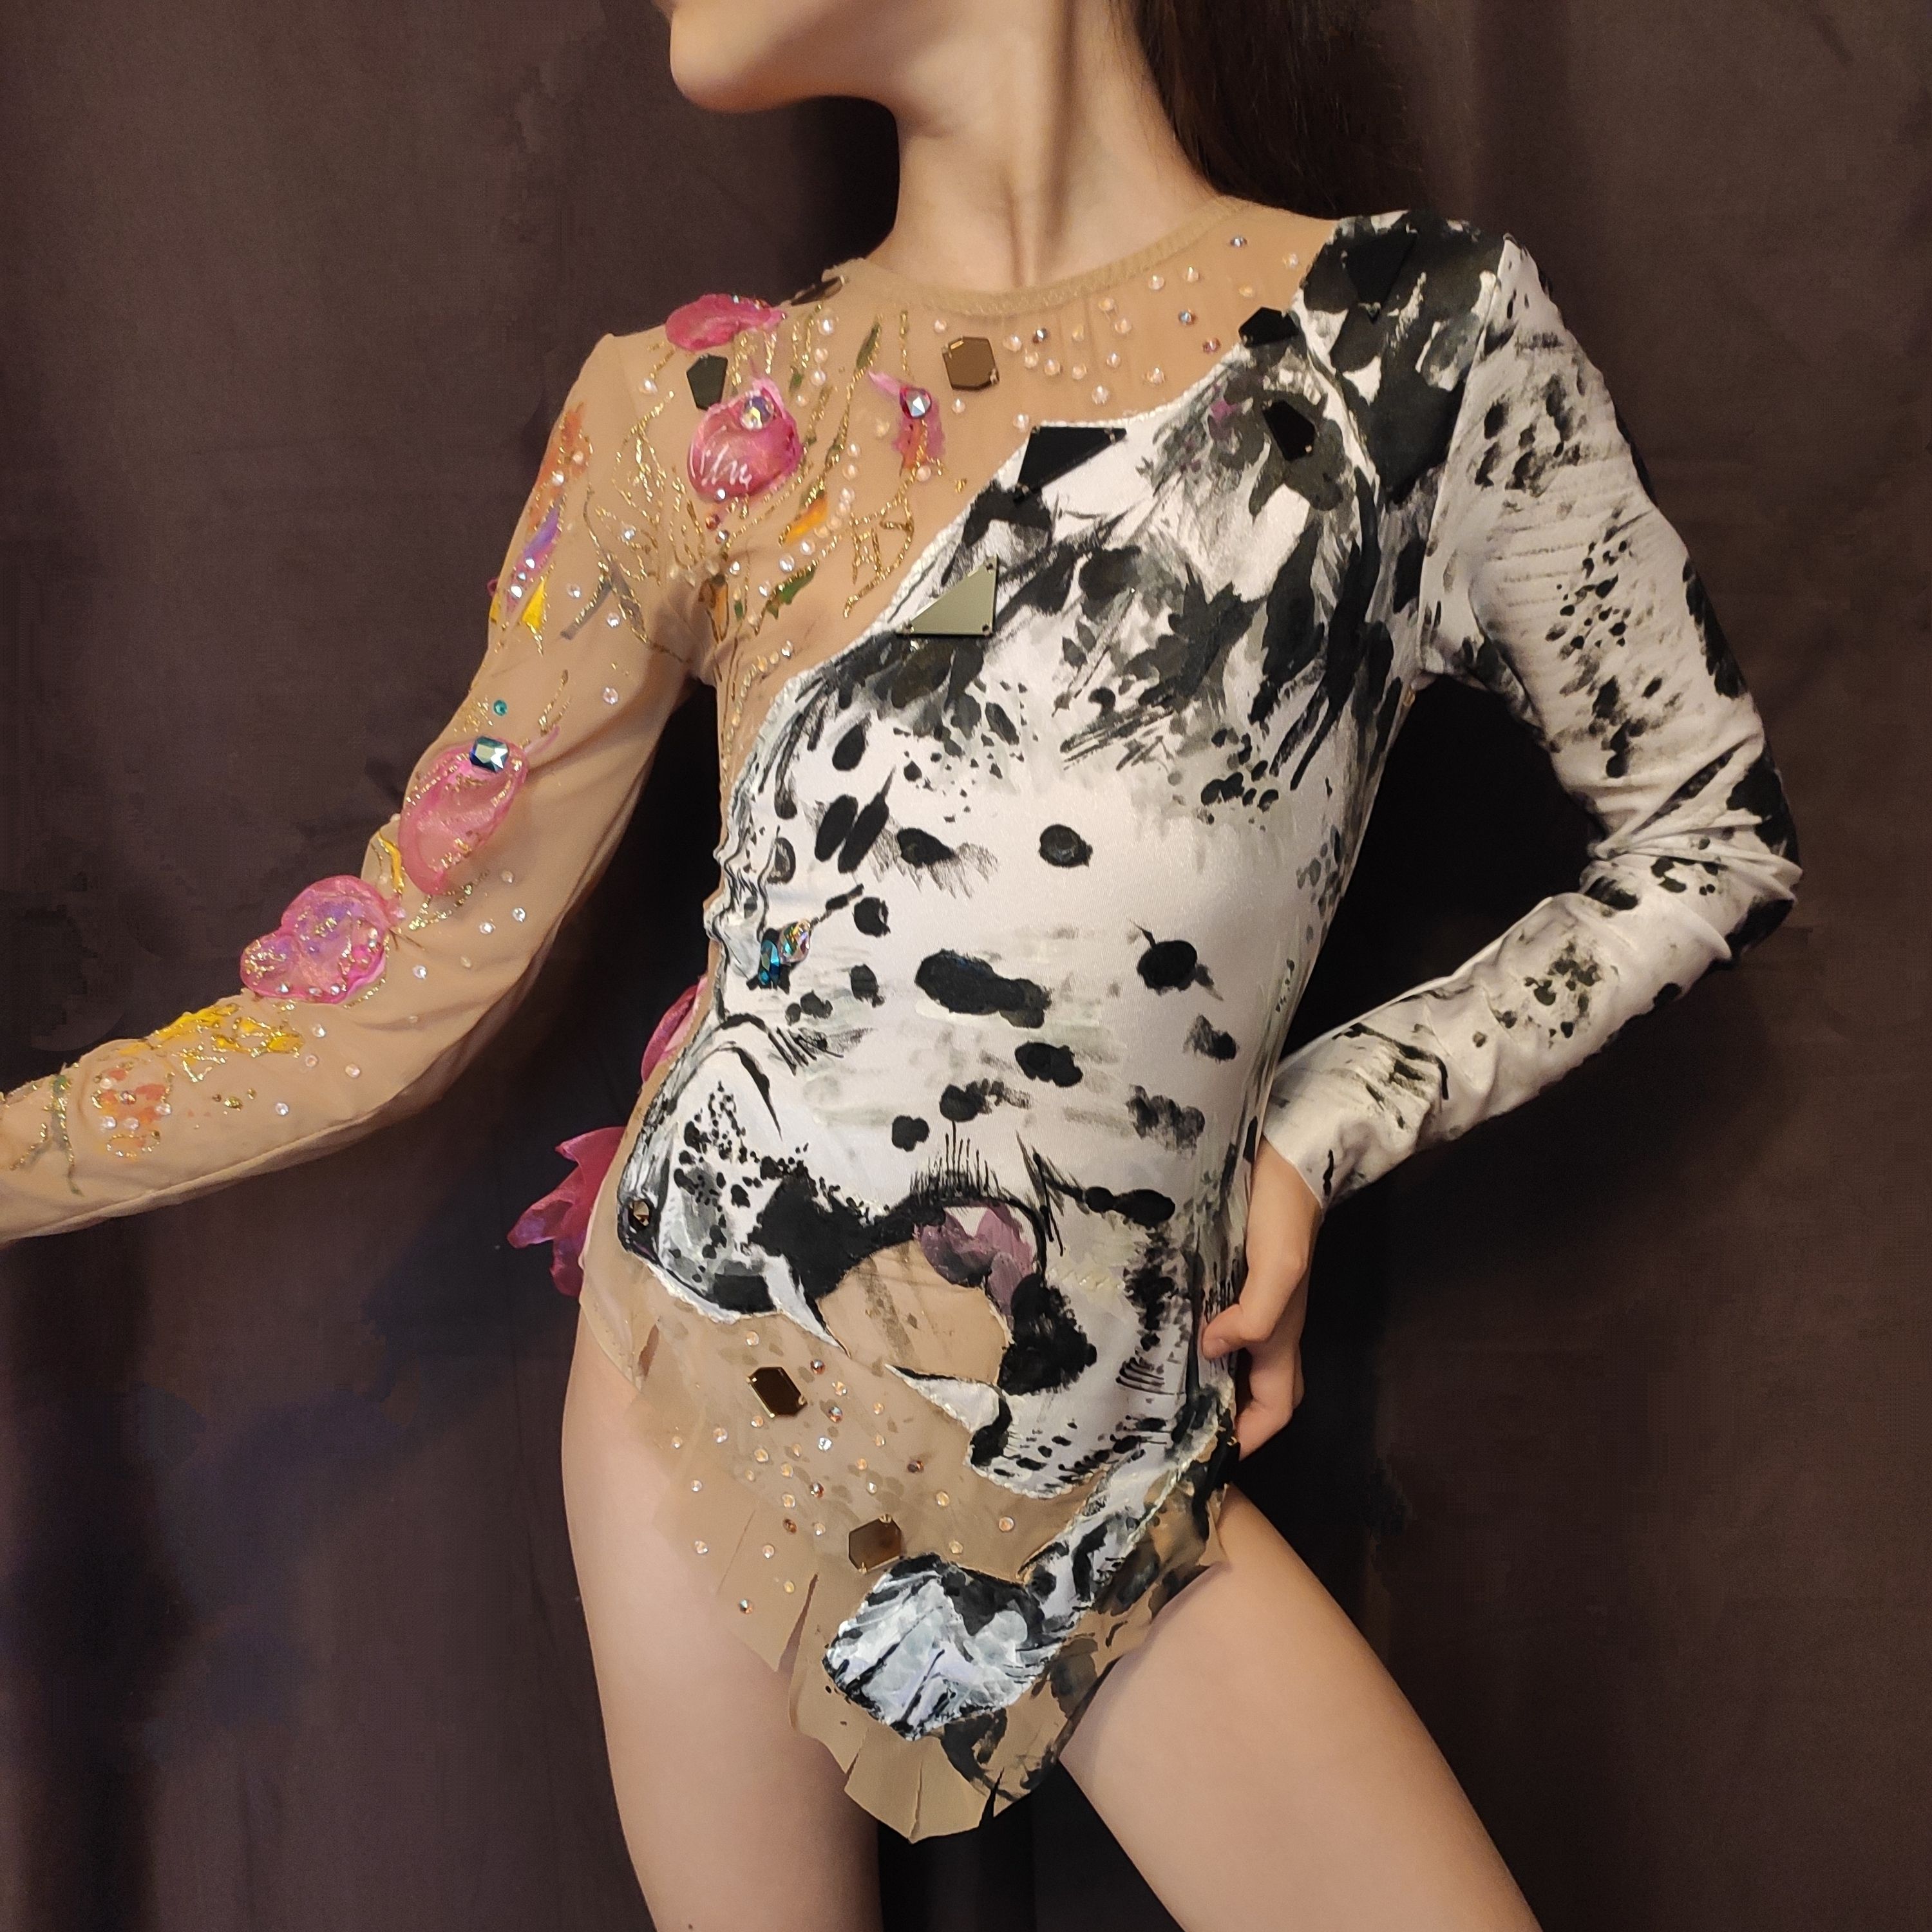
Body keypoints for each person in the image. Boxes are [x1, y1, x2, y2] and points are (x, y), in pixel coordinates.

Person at [1, 0, 1801, 1925]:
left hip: (1102, 1431)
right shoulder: (699, 420)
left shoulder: (1419, 351)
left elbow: (1710, 833)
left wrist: (1321, 1125)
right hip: (710, 1349)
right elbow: (388, 976)